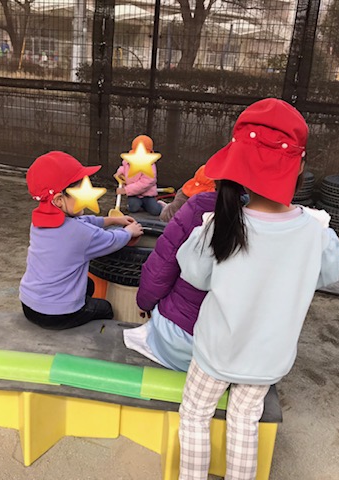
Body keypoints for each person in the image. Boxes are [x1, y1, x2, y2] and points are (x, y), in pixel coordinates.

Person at [175, 98, 339, 480]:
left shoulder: (219, 224)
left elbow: (193, 274)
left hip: (215, 349)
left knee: (195, 415)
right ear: (299, 166)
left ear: (236, 162)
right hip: (267, 357)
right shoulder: (316, 233)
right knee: (244, 422)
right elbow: (330, 273)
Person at [19, 151, 143, 330]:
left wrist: (111, 220)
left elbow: (82, 222)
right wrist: (129, 232)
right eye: (81, 190)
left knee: (89, 285)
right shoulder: (82, 234)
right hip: (55, 315)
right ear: (59, 200)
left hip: (29, 304)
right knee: (105, 308)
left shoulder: (39, 222)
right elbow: (111, 240)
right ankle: (91, 337)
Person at [124, 189, 218, 371]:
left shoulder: (200, 207)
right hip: (237, 355)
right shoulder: (268, 229)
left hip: (178, 339)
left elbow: (162, 266)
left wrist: (145, 302)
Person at [116, 135, 165, 216]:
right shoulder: (129, 160)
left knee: (156, 211)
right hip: (134, 194)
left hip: (147, 194)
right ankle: (139, 205)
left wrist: (126, 190)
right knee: (133, 208)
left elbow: (146, 182)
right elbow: (123, 167)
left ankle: (157, 204)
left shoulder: (150, 165)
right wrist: (119, 173)